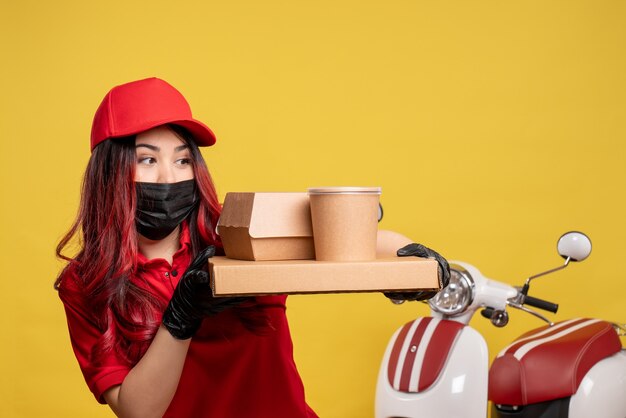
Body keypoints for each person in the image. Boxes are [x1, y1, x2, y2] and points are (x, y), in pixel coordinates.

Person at [55, 77, 449, 417]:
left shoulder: (235, 230)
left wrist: (415, 261)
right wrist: (180, 318)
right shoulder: (86, 283)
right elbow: (139, 410)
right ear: (110, 172)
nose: (168, 176)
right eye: (146, 159)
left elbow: (360, 244)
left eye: (182, 160)